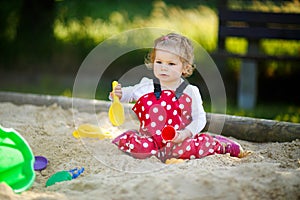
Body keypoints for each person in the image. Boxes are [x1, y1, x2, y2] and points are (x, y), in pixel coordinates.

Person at [111, 33, 246, 163]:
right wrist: (118, 94)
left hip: (179, 140)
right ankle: (132, 136)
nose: (164, 68)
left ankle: (219, 144)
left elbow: (199, 118)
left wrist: (186, 133)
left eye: (171, 64)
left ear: (185, 67)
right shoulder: (147, 85)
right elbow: (128, 94)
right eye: (159, 62)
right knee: (140, 149)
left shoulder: (190, 91)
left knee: (191, 149)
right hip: (152, 141)